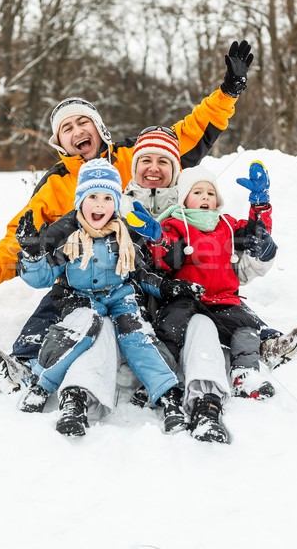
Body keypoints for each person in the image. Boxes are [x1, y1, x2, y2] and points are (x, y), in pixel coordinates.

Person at [0, 39, 254, 394]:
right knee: (55, 302)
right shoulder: (57, 184)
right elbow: (21, 238)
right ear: (60, 143)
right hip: (82, 273)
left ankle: (233, 349)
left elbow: (186, 134)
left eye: (83, 122)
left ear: (99, 129)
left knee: (195, 294)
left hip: (142, 267)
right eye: (67, 128)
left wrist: (227, 93)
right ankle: (22, 364)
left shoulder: (131, 155)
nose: (77, 131)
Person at [15, 158, 196, 436]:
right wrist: (31, 255)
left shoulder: (125, 234)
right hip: (81, 299)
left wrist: (167, 288)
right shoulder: (68, 236)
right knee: (80, 332)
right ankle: (43, 383)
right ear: (80, 200)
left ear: (116, 202)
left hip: (120, 298)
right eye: (92, 197)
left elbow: (141, 275)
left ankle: (169, 396)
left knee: (137, 336)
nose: (99, 205)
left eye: (107, 197)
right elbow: (42, 278)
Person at [126, 163, 281, 440]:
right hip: (188, 296)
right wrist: (157, 237)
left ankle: (245, 373)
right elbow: (168, 257)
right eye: (198, 192)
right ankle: (157, 377)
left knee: (246, 329)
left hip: (223, 299)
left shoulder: (227, 225)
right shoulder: (174, 224)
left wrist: (260, 206)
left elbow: (256, 235)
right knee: (170, 329)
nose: (206, 197)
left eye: (210, 192)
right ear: (185, 198)